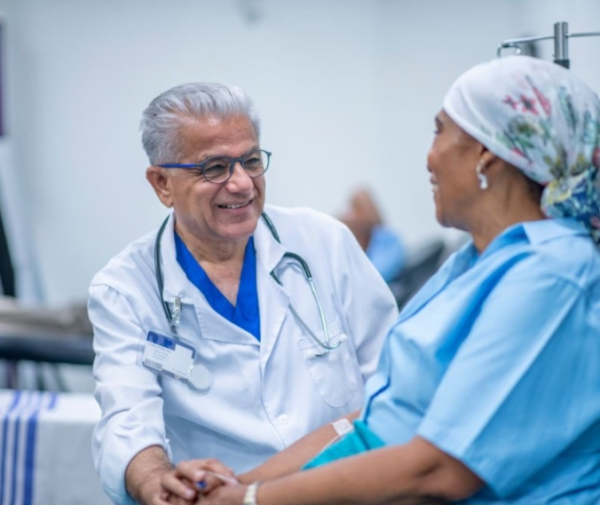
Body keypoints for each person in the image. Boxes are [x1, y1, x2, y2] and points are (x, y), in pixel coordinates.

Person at [166, 56, 600, 504]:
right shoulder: (472, 262)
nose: (429, 158)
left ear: (487, 152)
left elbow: (439, 469)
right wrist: (239, 485)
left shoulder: (553, 276)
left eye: (440, 131)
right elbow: (370, 421)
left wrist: (251, 500)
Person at [87, 83, 399, 505]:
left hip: (342, 490)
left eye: (251, 161)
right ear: (162, 184)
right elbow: (127, 419)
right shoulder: (124, 289)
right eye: (214, 168)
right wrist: (160, 483)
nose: (242, 184)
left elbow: (393, 387)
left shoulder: (324, 243)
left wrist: (252, 489)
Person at [338, 188, 406, 283]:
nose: (349, 215)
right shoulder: (351, 245)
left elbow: (374, 278)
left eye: (356, 208)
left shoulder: (388, 239)